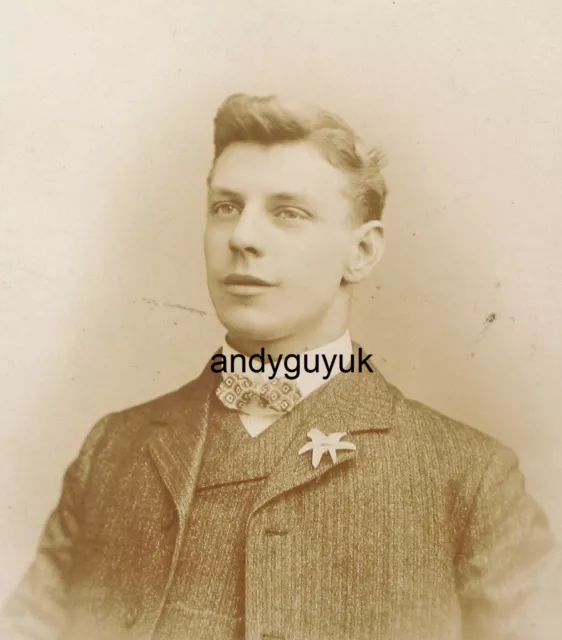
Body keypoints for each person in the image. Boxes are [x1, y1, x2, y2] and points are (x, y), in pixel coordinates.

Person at [2, 93, 560, 640]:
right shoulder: (111, 451)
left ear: (361, 252)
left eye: (288, 213)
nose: (242, 238)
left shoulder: (468, 479)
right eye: (226, 207)